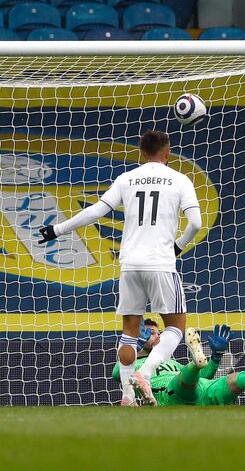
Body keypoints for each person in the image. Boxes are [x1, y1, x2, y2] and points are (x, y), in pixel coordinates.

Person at [38, 130, 202, 406]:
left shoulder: (126, 179)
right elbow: (196, 223)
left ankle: (127, 395)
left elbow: (95, 212)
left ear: (142, 152)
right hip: (160, 263)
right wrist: (177, 246)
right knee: (176, 327)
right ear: (167, 153)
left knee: (130, 330)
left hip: (129, 265)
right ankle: (146, 373)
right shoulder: (180, 179)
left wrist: (57, 229)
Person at [112, 321, 245, 406]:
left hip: (202, 390)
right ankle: (195, 363)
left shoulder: (169, 361)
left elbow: (205, 377)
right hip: (170, 395)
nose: (156, 335)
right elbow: (116, 373)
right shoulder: (132, 364)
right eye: (150, 332)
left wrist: (216, 357)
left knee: (238, 379)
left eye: (157, 332)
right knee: (183, 381)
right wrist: (134, 345)